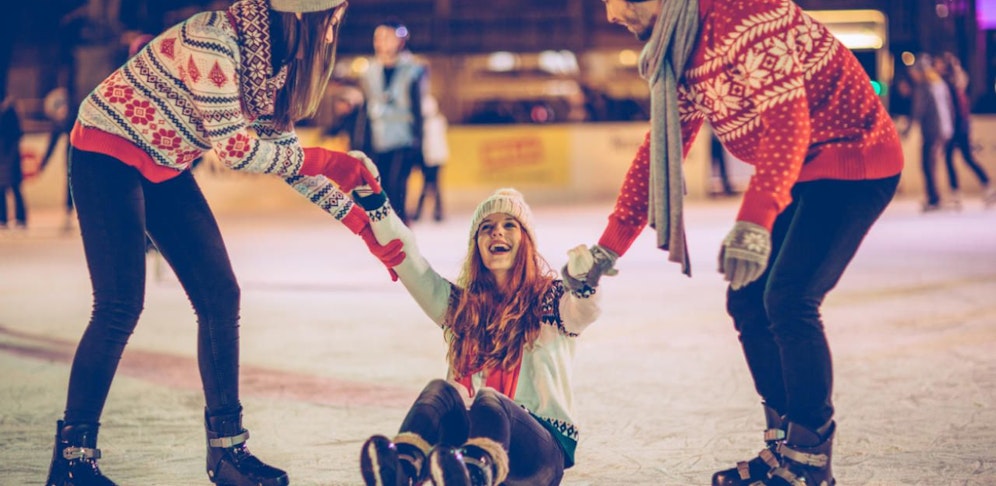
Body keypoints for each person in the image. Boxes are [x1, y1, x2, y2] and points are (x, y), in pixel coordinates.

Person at [44, 1, 405, 485]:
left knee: (219, 295)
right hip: (106, 149)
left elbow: (289, 158)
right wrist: (329, 161)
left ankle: (227, 453)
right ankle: (72, 458)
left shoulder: (270, 61)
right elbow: (237, 150)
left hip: (163, 159)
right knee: (119, 305)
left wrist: (362, 227)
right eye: (333, 18)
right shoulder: (215, 40)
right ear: (306, 16)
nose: (336, 28)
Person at [588, 2, 904, 485]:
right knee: (748, 301)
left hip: (856, 157)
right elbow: (661, 154)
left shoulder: (744, 16)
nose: (613, 13)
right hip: (799, 170)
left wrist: (755, 221)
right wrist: (608, 247)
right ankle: (782, 446)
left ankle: (809, 460)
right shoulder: (682, 51)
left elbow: (788, 123)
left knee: (790, 297)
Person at [352, 187, 608, 486]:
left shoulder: (551, 299)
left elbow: (584, 310)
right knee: (441, 391)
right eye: (486, 228)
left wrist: (584, 283)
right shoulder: (461, 308)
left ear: (526, 240)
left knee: (489, 400)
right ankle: (404, 467)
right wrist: (377, 205)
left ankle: (476, 472)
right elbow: (412, 265)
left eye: (509, 225)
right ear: (477, 245)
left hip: (537, 458)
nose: (497, 232)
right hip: (468, 441)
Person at [358, 18, 428, 225]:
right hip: (376, 137)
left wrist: (419, 144)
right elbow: (365, 107)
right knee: (378, 187)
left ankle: (401, 231)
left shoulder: (413, 70)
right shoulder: (369, 70)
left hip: (403, 138)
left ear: (400, 41)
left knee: (398, 188)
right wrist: (360, 142)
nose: (381, 42)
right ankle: (383, 232)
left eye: (387, 37)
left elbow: (418, 109)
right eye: (378, 37)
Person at [936, 52, 996, 207]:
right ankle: (983, 186)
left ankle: (964, 190)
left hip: (958, 126)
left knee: (960, 158)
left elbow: (954, 109)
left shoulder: (950, 84)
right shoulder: (955, 82)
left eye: (940, 64)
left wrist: (951, 127)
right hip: (961, 125)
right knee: (958, 158)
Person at [903, 53, 955, 212]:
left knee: (927, 163)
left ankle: (934, 198)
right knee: (931, 162)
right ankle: (934, 196)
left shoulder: (925, 85)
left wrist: (908, 128)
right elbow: (950, 107)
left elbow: (918, 109)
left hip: (933, 129)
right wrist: (949, 127)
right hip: (944, 129)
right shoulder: (939, 83)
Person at [412, 94, 449, 222]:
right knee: (433, 185)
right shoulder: (439, 120)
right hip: (436, 158)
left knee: (430, 185)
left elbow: (430, 143)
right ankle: (435, 212)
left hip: (432, 159)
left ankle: (424, 212)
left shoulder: (429, 124)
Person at [0, 95, 27, 231]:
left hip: (10, 154)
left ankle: (21, 218)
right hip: (5, 153)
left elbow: (16, 134)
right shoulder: (7, 110)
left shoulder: (9, 111)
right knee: (2, 188)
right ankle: (3, 218)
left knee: (14, 186)